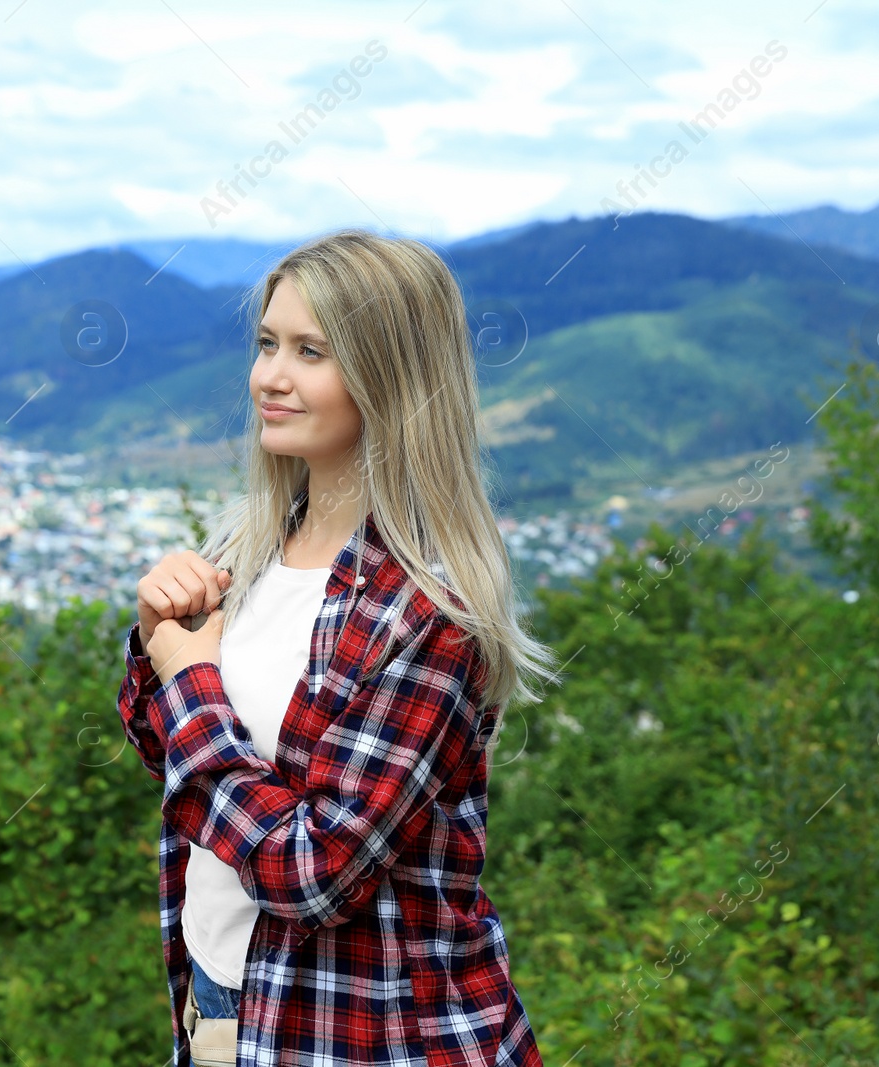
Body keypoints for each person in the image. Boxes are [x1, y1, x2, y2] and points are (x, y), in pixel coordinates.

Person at [117, 228, 559, 1066]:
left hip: (372, 1032)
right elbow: (183, 769)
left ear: (390, 379)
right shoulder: (246, 557)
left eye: (311, 351)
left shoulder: (428, 613)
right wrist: (157, 649)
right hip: (219, 1002)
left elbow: (316, 872)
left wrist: (187, 679)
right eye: (267, 343)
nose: (269, 377)